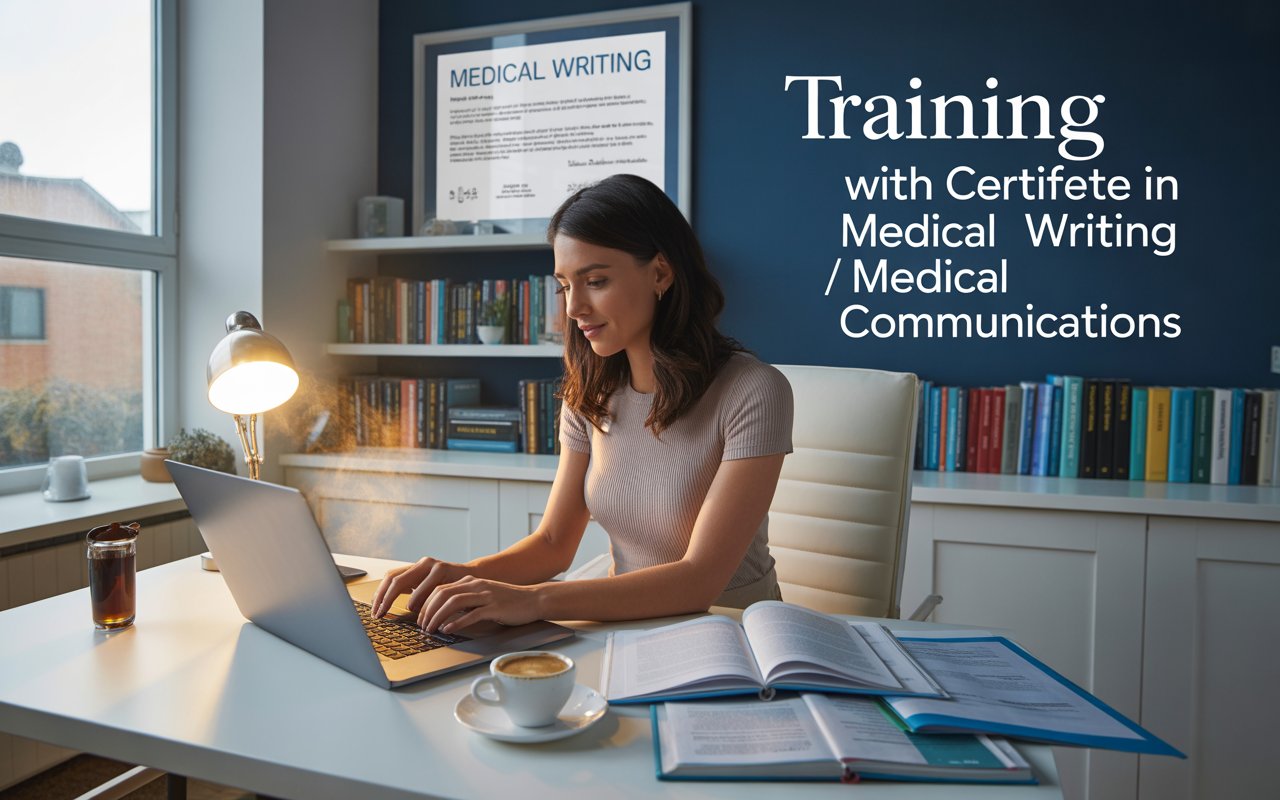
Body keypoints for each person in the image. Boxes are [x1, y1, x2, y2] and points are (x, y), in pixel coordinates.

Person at [372, 174, 793, 633]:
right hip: (628, 627)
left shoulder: (753, 390)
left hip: (732, 631)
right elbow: (554, 543)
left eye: (594, 281)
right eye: (565, 286)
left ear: (660, 272)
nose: (573, 308)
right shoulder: (590, 392)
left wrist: (535, 600)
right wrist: (460, 574)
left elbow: (699, 581)